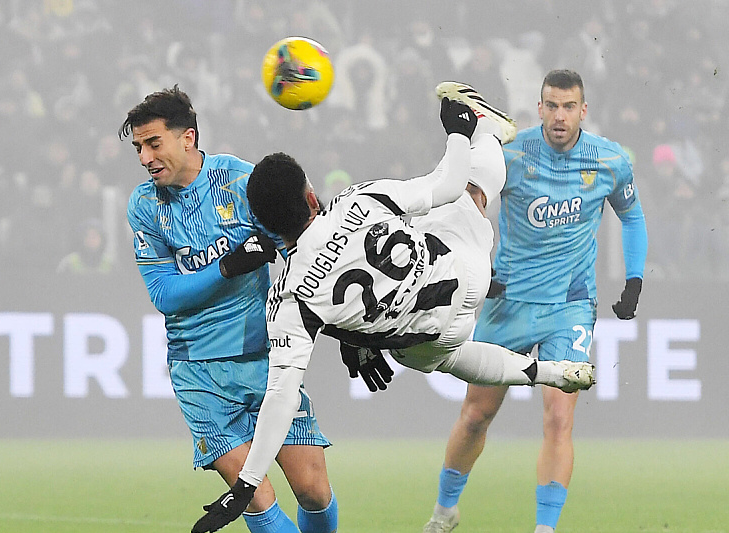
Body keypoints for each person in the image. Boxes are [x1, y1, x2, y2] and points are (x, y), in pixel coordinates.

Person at [192, 85, 596, 533]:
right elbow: (445, 185)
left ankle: (541, 372)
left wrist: (248, 483)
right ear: (311, 197)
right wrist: (459, 135)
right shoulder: (358, 199)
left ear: (263, 225)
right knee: (471, 194)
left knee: (450, 359)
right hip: (464, 272)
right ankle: (490, 135)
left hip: (424, 340)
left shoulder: (287, 300)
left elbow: (281, 396)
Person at [422, 70, 648, 533]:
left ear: (583, 110)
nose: (560, 116)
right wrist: (477, 265)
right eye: (551, 106)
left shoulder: (610, 161)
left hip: (571, 305)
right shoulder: (511, 154)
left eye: (569, 107)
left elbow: (633, 217)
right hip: (508, 303)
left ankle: (545, 529)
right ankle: (445, 511)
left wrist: (634, 279)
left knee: (559, 418)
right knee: (476, 415)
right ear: (539, 107)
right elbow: (468, 203)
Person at [120, 86, 338, 533]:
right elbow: (163, 293)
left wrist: (351, 331)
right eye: (139, 147)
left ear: (188, 137)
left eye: (153, 143)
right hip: (199, 374)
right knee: (256, 498)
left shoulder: (242, 183)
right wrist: (226, 266)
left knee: (314, 490)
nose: (144, 157)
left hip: (265, 360)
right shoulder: (145, 206)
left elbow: (302, 251)